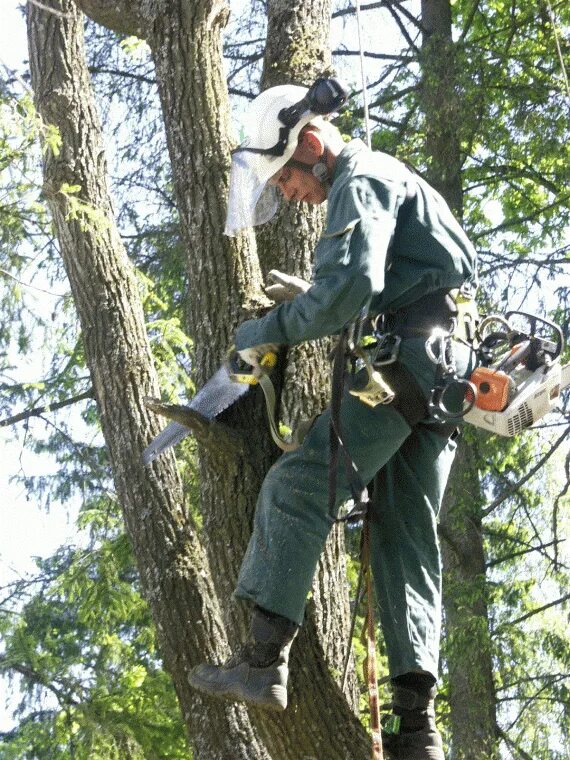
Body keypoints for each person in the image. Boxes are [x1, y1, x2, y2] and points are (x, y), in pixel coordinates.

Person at [189, 79, 477, 760]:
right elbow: (374, 280)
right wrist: (312, 295)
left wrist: (271, 325)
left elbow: (351, 288)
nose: (286, 194)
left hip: (411, 362)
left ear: (311, 144)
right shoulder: (380, 180)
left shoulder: (364, 176)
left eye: (284, 177)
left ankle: (261, 662)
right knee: (406, 537)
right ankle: (418, 733)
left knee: (299, 485)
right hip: (442, 372)